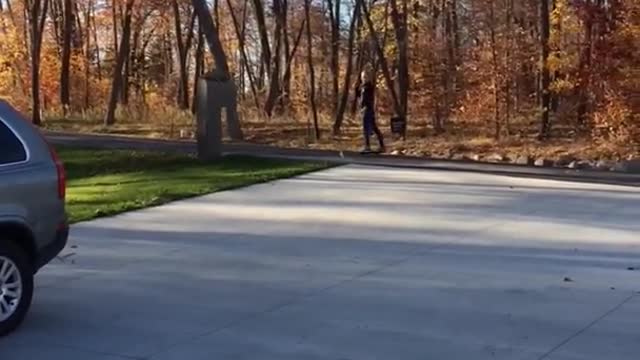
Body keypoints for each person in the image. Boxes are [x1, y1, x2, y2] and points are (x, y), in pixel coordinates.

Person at [358, 70, 385, 153]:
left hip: (368, 109)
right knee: (373, 127)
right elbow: (361, 97)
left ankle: (367, 146)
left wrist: (364, 107)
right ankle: (382, 145)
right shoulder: (363, 87)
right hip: (366, 109)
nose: (364, 78)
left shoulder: (368, 87)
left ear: (368, 78)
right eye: (363, 77)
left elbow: (368, 99)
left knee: (366, 128)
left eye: (365, 77)